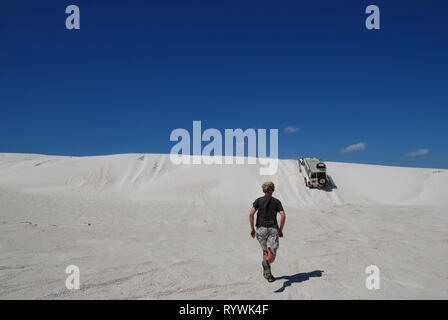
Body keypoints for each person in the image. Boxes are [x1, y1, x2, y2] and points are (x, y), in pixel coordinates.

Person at [249, 182, 286, 282]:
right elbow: (283, 215)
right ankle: (266, 263)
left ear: (263, 190)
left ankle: (269, 276)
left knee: (265, 251)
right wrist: (281, 230)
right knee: (272, 255)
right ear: (272, 190)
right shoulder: (276, 202)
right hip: (272, 229)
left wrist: (252, 229)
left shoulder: (258, 201)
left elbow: (251, 214)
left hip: (260, 229)